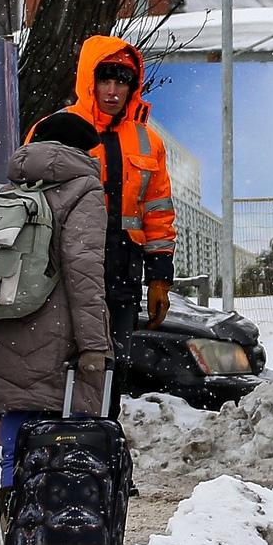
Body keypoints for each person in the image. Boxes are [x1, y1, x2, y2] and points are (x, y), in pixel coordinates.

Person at [0, 111, 112, 521]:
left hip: (6, 326)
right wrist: (94, 344)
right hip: (60, 334)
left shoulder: (10, 188)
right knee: (66, 447)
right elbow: (84, 272)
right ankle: (61, 534)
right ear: (82, 150)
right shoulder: (83, 191)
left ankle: (15, 531)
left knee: (16, 444)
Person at [61, 35, 176, 335]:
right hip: (66, 276)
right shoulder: (58, 129)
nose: (112, 92)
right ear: (90, 81)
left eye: (122, 82)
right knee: (74, 369)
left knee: (117, 365)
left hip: (124, 277)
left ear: (132, 86)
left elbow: (158, 216)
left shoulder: (148, 142)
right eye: (105, 80)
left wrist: (159, 279)